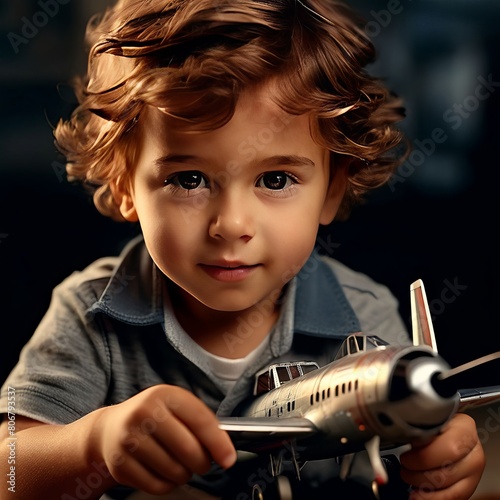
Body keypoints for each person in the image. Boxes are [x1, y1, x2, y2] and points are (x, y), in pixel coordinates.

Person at [0, 0, 485, 498]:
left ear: (332, 189)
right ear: (125, 186)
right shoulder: (89, 314)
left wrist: (442, 464)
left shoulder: (366, 314)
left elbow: (408, 449)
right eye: (188, 179)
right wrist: (92, 443)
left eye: (275, 179)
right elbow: (8, 469)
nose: (231, 224)